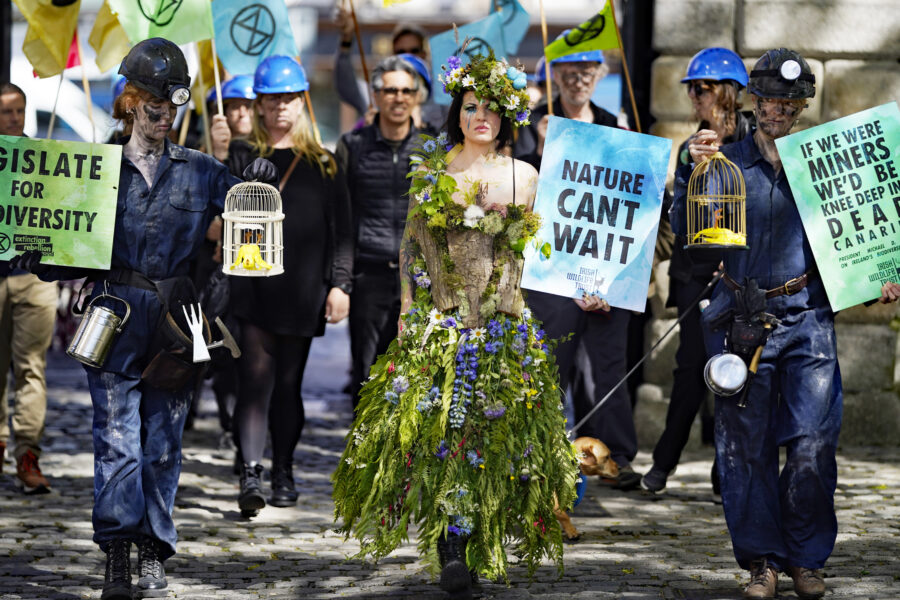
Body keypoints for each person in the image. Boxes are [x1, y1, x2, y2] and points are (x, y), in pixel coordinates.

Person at [5, 39, 275, 600]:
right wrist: (38, 257)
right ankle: (120, 551)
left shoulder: (200, 171)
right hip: (111, 313)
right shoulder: (93, 171)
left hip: (179, 319)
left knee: (162, 442)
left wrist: (257, 172)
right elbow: (68, 246)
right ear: (128, 101)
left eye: (170, 104)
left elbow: (251, 206)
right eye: (151, 101)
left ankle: (154, 548)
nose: (162, 114)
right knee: (117, 439)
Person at [332, 53, 580, 600]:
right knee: (444, 438)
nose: (480, 118)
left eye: (491, 109)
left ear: (506, 117)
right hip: (442, 326)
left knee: (494, 442)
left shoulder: (525, 177)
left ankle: (483, 540)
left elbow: (558, 249)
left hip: (505, 325)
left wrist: (589, 284)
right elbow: (410, 249)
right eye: (471, 108)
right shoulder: (433, 173)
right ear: (457, 115)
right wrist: (406, 309)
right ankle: (451, 545)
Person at [671, 48, 900, 599]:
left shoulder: (826, 164)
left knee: (813, 444)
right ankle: (761, 564)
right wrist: (688, 171)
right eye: (769, 97)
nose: (778, 108)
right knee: (743, 448)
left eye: (790, 100)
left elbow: (860, 237)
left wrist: (879, 277)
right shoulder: (725, 160)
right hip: (740, 317)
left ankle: (807, 560)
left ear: (801, 106)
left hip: (808, 317)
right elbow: (689, 237)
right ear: (754, 98)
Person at [224, 55, 353, 516]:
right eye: (272, 99)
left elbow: (342, 231)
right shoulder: (241, 153)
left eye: (289, 98)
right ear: (258, 105)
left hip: (303, 288)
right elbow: (222, 213)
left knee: (288, 385)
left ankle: (283, 468)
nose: (280, 107)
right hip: (253, 285)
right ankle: (251, 471)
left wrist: (341, 285)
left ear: (302, 103)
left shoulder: (325, 163)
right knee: (254, 379)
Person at [514, 39, 641, 490]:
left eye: (588, 69)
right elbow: (519, 181)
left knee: (609, 364)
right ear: (554, 77)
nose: (578, 78)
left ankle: (617, 456)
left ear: (600, 76)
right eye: (568, 71)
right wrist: (543, 149)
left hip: (605, 270)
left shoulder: (616, 125)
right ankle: (540, 451)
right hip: (552, 271)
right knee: (551, 365)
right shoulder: (532, 123)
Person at [641, 47, 753, 495]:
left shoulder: (750, 141)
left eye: (701, 88)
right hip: (696, 277)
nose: (693, 96)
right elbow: (678, 217)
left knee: (737, 371)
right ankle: (664, 463)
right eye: (690, 88)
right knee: (690, 368)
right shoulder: (693, 143)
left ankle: (724, 471)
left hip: (741, 275)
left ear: (726, 92)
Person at [336, 55, 426, 408]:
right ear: (375, 96)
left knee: (413, 377)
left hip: (418, 283)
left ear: (416, 97)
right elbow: (341, 222)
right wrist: (341, 283)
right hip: (368, 276)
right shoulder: (353, 146)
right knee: (367, 376)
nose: (398, 98)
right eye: (390, 90)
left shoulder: (432, 150)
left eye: (406, 90)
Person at [0, 82, 57, 495]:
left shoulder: (46, 159)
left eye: (18, 111)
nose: (13, 119)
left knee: (31, 370)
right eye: (5, 112)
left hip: (34, 281)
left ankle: (27, 456)